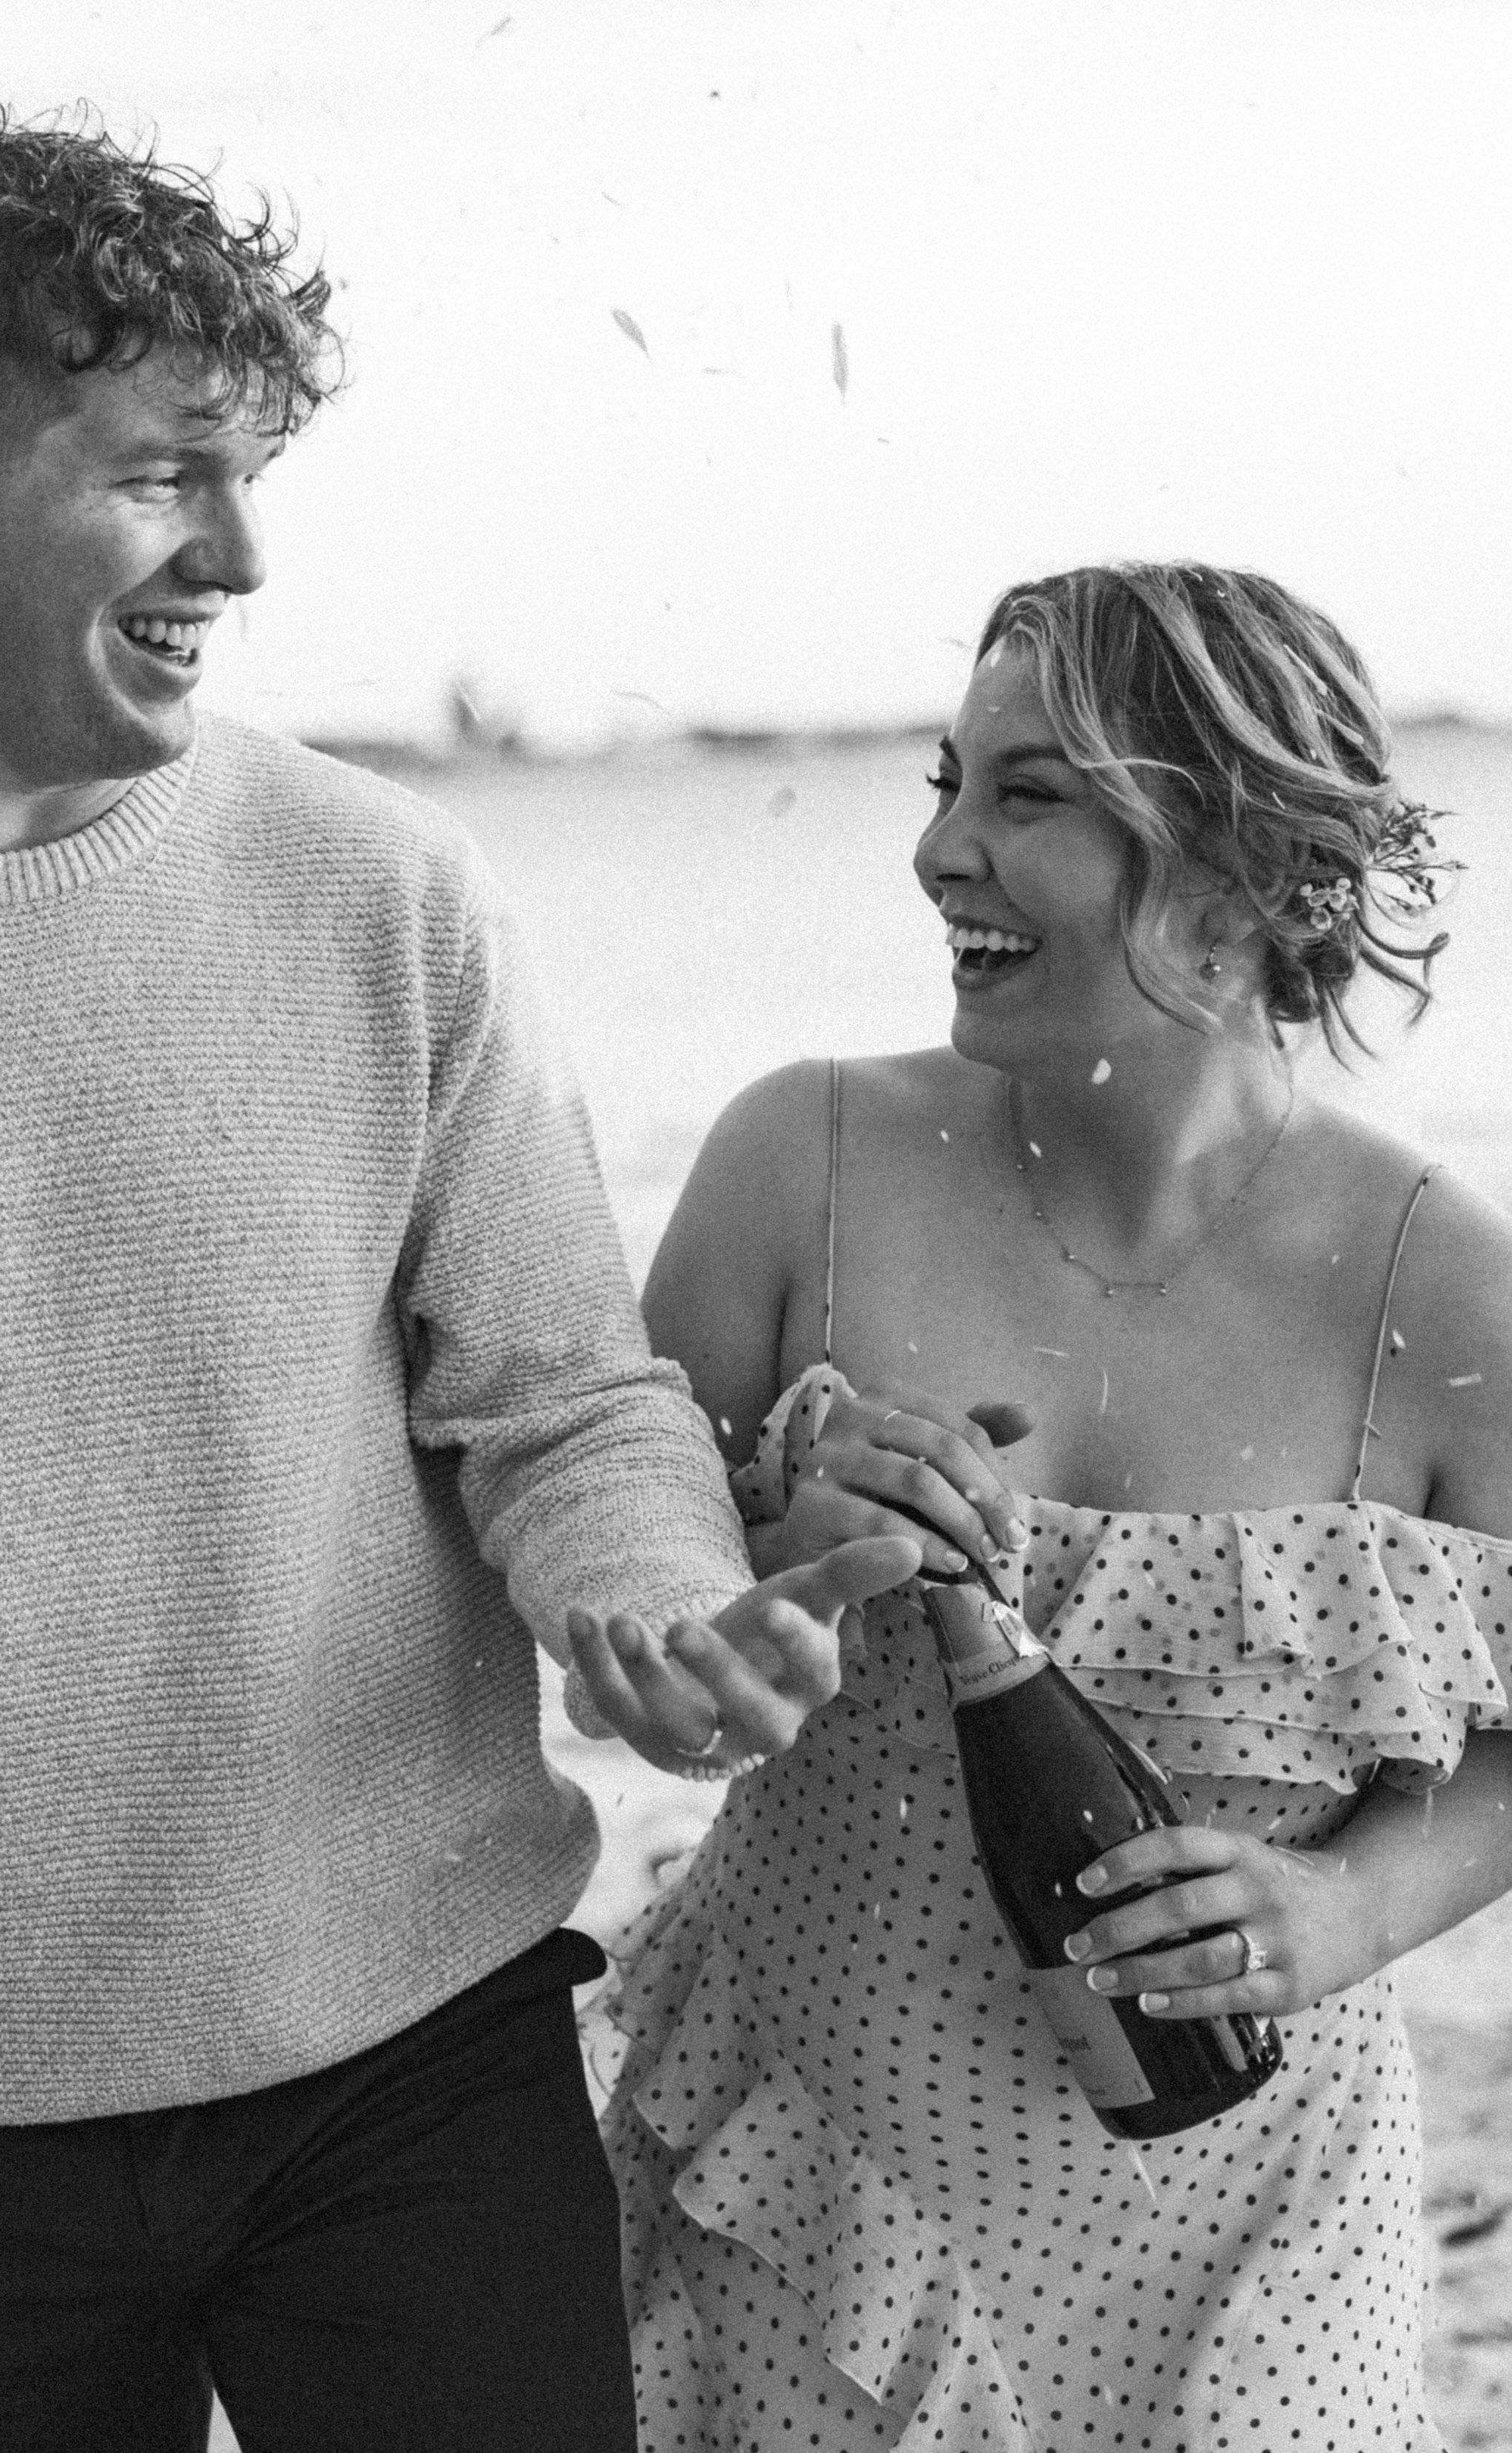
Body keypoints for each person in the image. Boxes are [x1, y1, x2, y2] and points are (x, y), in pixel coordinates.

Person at [0, 116, 915, 2453]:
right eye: (165, 475)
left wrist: (645, 1601)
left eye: (251, 476)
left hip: (414, 2059)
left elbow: (562, 1396)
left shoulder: (385, 887)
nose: (238, 553)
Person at [575, 563, 1512, 2449]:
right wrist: (767, 1572)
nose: (936, 851)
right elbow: (622, 1688)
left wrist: (1347, 1903)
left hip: (1248, 2232)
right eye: (943, 781)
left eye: (1026, 796)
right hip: (806, 2176)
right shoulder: (794, 1163)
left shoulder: (1446, 1286)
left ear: (1245, 864)